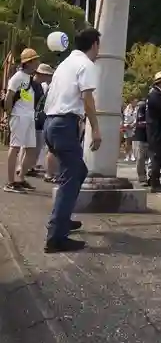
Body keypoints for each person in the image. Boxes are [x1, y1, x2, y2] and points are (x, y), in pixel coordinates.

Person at [43, 28, 101, 253]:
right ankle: (56, 236)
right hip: (64, 124)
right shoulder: (86, 64)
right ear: (94, 44)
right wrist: (96, 129)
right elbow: (87, 99)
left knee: (78, 171)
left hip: (51, 123)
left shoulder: (64, 64)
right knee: (71, 176)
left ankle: (62, 219)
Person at [3, 48, 41, 193]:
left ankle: (20, 178)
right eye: (35, 60)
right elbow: (9, 96)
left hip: (29, 116)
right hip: (19, 115)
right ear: (29, 62)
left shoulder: (28, 78)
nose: (37, 63)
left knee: (31, 149)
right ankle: (10, 182)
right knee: (15, 148)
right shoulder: (18, 77)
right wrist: (9, 114)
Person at [32, 63, 55, 176]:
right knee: (37, 144)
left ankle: (30, 166)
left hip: (41, 116)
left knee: (39, 144)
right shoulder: (37, 85)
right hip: (38, 117)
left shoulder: (45, 86)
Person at [133, 97, 149, 185]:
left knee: (151, 159)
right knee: (140, 158)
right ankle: (142, 178)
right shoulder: (142, 107)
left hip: (150, 136)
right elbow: (139, 122)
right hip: (141, 136)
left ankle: (151, 177)